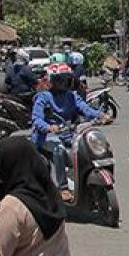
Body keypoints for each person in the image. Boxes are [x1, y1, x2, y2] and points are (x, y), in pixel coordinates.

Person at [31, 69, 107, 201]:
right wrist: (48, 127)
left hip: (69, 133)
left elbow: (85, 108)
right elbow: (36, 119)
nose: (64, 82)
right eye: (60, 79)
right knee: (59, 150)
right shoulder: (43, 97)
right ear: (53, 81)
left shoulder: (72, 95)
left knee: (88, 144)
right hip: (47, 137)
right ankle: (63, 188)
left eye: (66, 78)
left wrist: (100, 115)